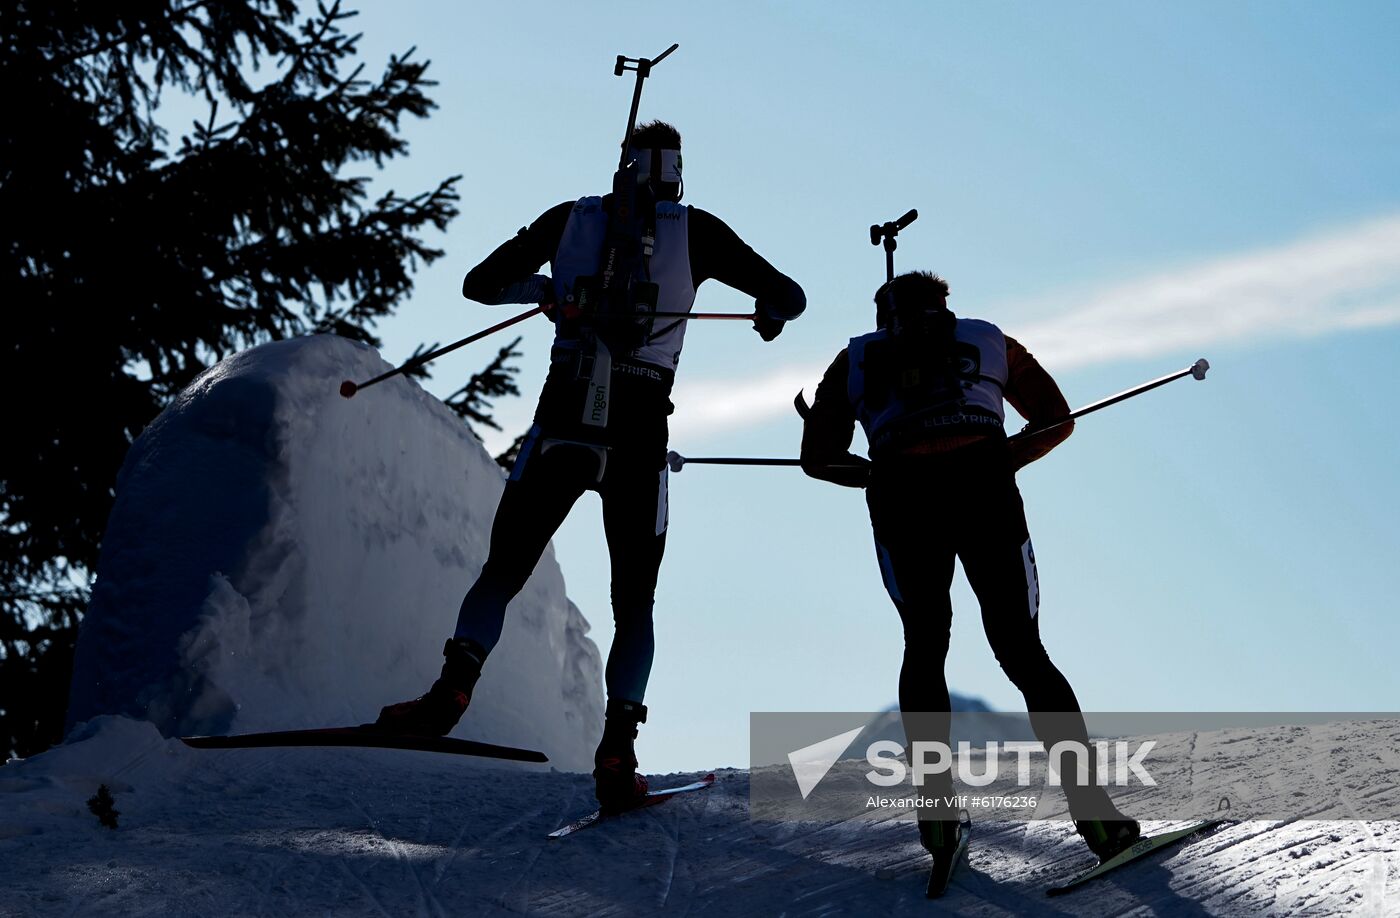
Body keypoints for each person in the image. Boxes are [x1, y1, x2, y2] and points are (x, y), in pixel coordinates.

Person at [375, 121, 805, 808]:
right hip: (638, 426)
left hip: (564, 415)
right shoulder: (699, 231)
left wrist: (546, 293)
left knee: (502, 571)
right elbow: (791, 297)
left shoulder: (571, 218)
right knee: (634, 603)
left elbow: (480, 284)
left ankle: (449, 692)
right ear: (675, 172)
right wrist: (766, 313)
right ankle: (617, 748)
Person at [798, 270, 1139, 868]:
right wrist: (1000, 457)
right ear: (943, 303)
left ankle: (937, 816)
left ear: (885, 316)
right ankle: (1096, 816)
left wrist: (874, 471)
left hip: (903, 502)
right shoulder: (987, 338)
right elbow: (1057, 419)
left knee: (924, 645)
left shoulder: (852, 359)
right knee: (1023, 649)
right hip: (986, 491)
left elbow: (818, 460)